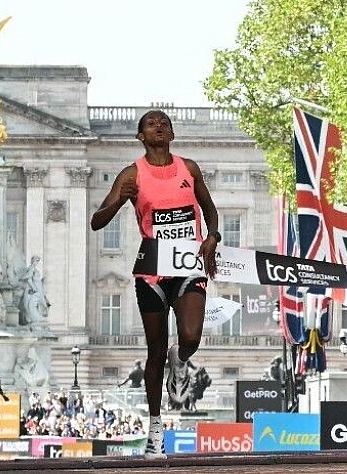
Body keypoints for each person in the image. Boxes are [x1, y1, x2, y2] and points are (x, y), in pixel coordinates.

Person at [91, 109, 220, 459]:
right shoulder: (131, 174)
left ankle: (181, 358)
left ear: (172, 133)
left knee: (190, 337)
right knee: (155, 352)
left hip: (189, 264)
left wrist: (213, 235)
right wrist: (121, 198)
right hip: (151, 270)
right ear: (141, 136)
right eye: (151, 124)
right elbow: (96, 221)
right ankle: (155, 428)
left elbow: (209, 210)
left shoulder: (189, 168)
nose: (159, 126)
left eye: (164, 123)